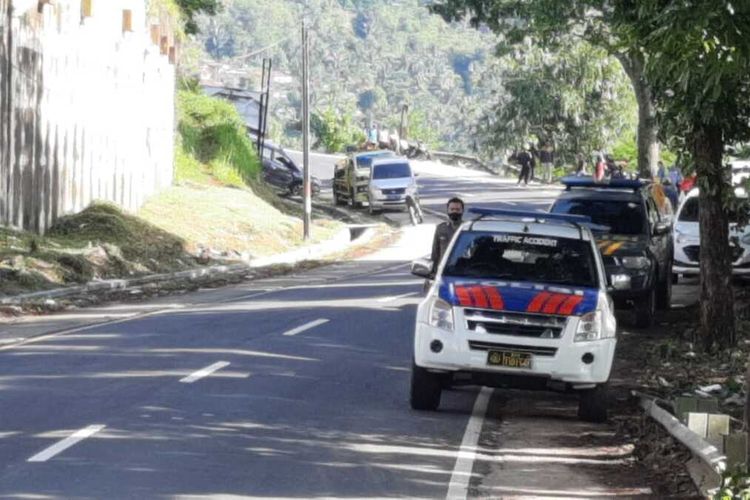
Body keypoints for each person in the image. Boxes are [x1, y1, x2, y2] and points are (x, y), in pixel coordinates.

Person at [431, 197, 465, 275]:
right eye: (452, 209)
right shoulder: (440, 228)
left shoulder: (467, 229)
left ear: (462, 211)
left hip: (462, 271)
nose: (454, 212)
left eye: (457, 209)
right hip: (443, 272)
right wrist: (432, 272)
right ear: (447, 210)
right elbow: (435, 253)